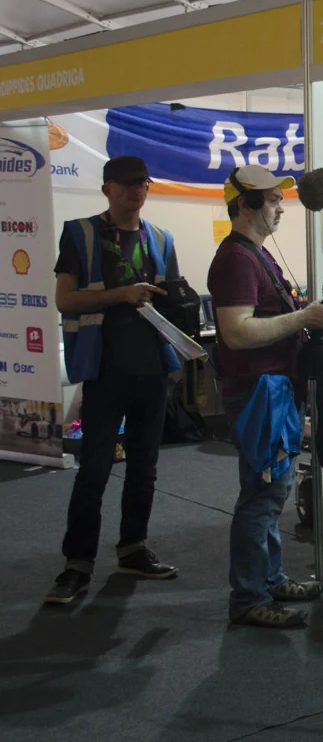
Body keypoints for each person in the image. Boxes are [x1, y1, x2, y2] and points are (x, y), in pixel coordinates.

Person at [46, 156, 181, 606]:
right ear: (107, 188)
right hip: (105, 370)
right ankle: (77, 565)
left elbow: (172, 300)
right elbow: (65, 299)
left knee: (144, 467)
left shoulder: (161, 238)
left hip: (153, 368)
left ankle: (133, 549)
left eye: (142, 183)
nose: (135, 190)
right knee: (95, 469)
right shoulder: (80, 234)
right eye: (126, 184)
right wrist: (121, 294)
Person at [208, 165, 323, 629]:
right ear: (246, 205)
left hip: (276, 392)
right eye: (273, 200)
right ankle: (248, 598)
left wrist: (309, 320)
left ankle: (270, 579)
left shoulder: (256, 255)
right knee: (261, 496)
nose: (281, 207)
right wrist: (302, 318)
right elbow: (237, 332)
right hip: (261, 395)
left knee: (273, 491)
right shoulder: (236, 260)